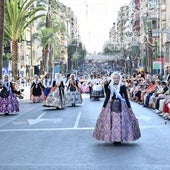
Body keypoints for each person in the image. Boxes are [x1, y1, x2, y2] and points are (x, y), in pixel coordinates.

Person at [93, 72, 141, 144]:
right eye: (114, 78)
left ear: (120, 79)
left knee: (122, 121)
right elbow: (107, 96)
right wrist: (104, 106)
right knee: (111, 121)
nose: (116, 79)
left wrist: (129, 107)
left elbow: (126, 98)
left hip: (121, 105)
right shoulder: (109, 86)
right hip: (111, 105)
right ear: (112, 79)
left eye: (117, 78)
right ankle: (113, 138)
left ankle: (120, 137)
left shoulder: (122, 86)